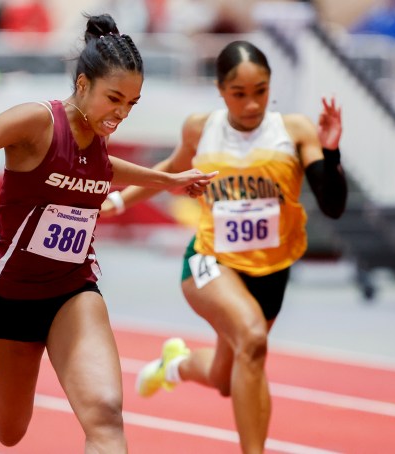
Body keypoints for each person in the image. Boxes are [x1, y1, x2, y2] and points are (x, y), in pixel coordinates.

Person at [0, 13, 216, 452]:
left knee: (105, 414)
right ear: (82, 84)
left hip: (72, 291)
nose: (121, 113)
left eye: (132, 103)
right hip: (7, 297)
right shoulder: (36, 122)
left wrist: (169, 181)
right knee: (7, 431)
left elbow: (105, 170)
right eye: (114, 98)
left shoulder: (97, 140)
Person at [101, 40, 347, 453]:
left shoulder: (296, 130)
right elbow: (171, 171)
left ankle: (174, 365)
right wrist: (122, 198)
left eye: (261, 92)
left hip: (271, 271)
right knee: (252, 340)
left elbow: (333, 206)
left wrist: (331, 148)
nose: (251, 105)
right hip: (210, 262)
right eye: (239, 94)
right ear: (220, 90)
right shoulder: (203, 128)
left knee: (225, 376)